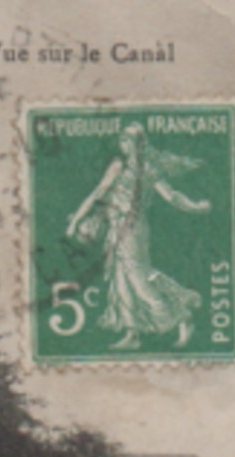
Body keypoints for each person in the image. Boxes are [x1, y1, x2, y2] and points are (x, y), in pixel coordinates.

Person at [65, 123, 211, 350]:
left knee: (138, 278)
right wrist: (75, 221)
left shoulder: (149, 169)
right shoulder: (117, 166)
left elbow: (171, 196)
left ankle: (181, 317)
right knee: (120, 280)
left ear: (140, 143)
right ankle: (132, 334)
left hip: (134, 229)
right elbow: (98, 193)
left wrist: (195, 207)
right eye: (122, 139)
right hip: (115, 228)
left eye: (130, 139)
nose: (124, 143)